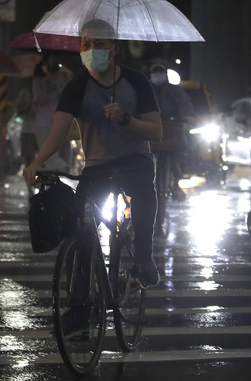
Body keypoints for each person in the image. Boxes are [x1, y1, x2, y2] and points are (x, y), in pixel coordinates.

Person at [23, 19, 162, 288]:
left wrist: (125, 119)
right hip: (97, 168)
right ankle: (79, 305)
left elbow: (155, 132)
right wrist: (38, 161)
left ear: (114, 49)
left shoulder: (136, 82)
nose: (92, 50)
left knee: (144, 198)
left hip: (134, 163)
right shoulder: (76, 87)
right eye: (87, 44)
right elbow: (58, 130)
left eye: (100, 44)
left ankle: (143, 259)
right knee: (81, 229)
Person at [148, 59, 197, 236]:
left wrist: (188, 117)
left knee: (179, 154)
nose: (158, 75)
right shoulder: (146, 90)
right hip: (153, 135)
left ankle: (176, 182)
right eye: (155, 71)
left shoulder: (175, 91)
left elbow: (185, 106)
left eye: (160, 71)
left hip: (172, 133)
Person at [32, 52, 72, 171]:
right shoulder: (39, 80)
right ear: (45, 62)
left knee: (62, 151)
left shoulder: (64, 78)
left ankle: (64, 170)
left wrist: (67, 80)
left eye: (57, 60)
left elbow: (70, 97)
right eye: (51, 59)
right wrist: (47, 84)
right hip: (43, 122)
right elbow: (39, 101)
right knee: (47, 153)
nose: (54, 63)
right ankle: (61, 170)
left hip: (60, 121)